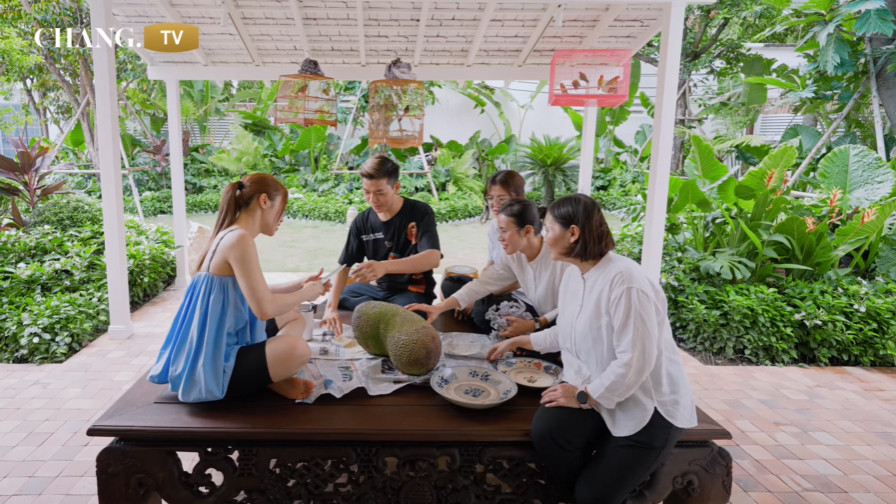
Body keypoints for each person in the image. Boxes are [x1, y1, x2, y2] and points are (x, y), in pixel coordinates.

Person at [487, 194, 697, 503]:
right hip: (599, 389)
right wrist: (522, 341)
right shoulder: (575, 273)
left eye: (548, 228)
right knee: (549, 431)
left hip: (646, 406)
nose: (543, 237)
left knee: (591, 495)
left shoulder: (626, 283)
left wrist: (584, 395)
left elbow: (635, 363)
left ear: (573, 233)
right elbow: (570, 330)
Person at [149, 174, 327, 403]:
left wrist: (297, 284)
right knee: (298, 349)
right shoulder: (239, 239)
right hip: (214, 366)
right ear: (264, 201)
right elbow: (264, 309)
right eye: (281, 208)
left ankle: (271, 373)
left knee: (293, 317)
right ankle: (272, 377)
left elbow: (250, 290)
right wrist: (307, 294)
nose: (282, 217)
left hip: (220, 346)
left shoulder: (229, 234)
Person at [407, 199, 568, 340]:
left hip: (554, 323)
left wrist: (534, 325)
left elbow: (569, 308)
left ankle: (524, 337)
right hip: (533, 317)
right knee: (453, 283)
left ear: (527, 231)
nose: (499, 237)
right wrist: (438, 308)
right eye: (499, 231)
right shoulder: (514, 255)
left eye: (504, 231)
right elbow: (482, 284)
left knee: (483, 311)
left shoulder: (558, 257)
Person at [322, 154, 441, 335]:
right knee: (333, 301)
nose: (372, 199)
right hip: (377, 290)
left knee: (407, 322)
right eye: (366, 192)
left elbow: (432, 258)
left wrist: (384, 267)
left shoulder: (420, 212)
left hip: (410, 291)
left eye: (380, 192)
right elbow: (344, 265)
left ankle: (378, 311)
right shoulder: (362, 221)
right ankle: (379, 310)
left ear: (396, 188)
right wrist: (330, 308)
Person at [439, 169, 527, 330]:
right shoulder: (494, 226)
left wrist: (479, 295)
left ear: (518, 198)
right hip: (493, 289)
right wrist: (474, 292)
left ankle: (477, 313)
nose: (494, 204)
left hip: (517, 296)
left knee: (481, 309)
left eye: (501, 198)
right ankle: (476, 312)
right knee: (451, 283)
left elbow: (520, 281)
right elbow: (490, 265)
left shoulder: (527, 229)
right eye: (490, 198)